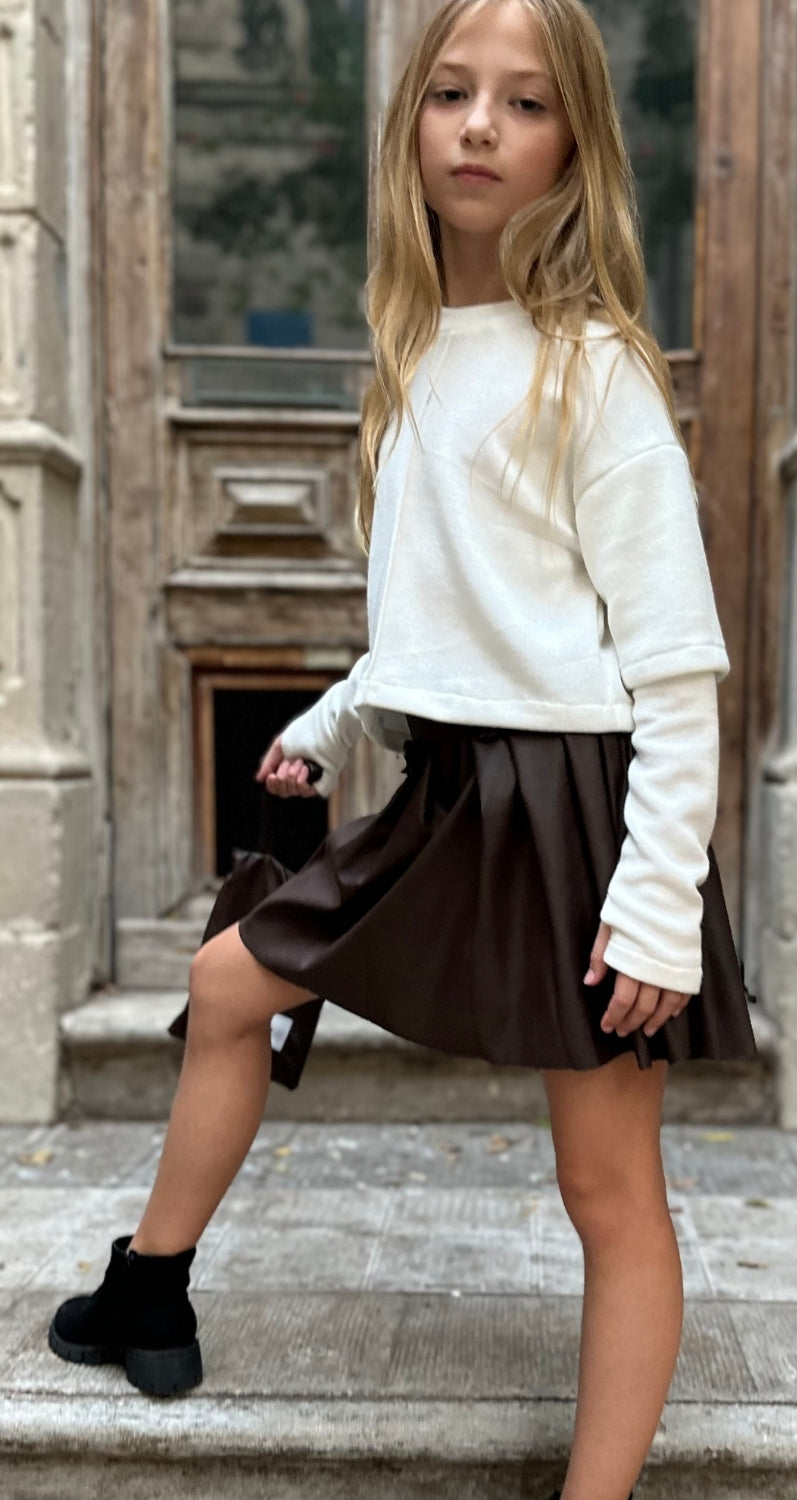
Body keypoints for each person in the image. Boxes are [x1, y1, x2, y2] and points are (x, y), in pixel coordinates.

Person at [47, 3, 757, 1496]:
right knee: (227, 983)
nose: (481, 125)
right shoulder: (417, 350)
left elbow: (679, 670)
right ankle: (150, 1287)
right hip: (453, 789)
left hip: (583, 813)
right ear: (410, 126)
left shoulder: (598, 372)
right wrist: (328, 723)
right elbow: (447, 624)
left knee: (606, 1184)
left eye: (527, 101)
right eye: (451, 92)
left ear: (577, 147)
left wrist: (655, 902)